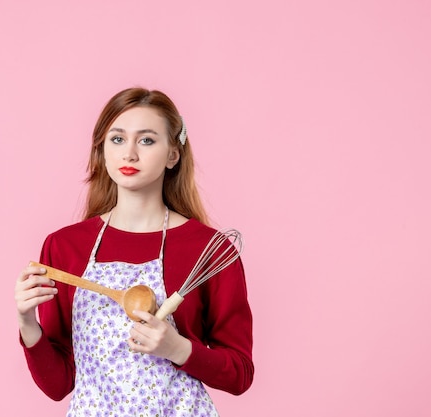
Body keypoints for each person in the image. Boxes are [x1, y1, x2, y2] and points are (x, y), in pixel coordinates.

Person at [15, 87, 253, 416]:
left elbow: (239, 374)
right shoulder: (64, 247)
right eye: (117, 139)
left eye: (146, 140)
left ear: (173, 154)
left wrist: (177, 348)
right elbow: (59, 386)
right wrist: (28, 323)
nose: (129, 154)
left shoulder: (208, 250)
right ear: (101, 150)